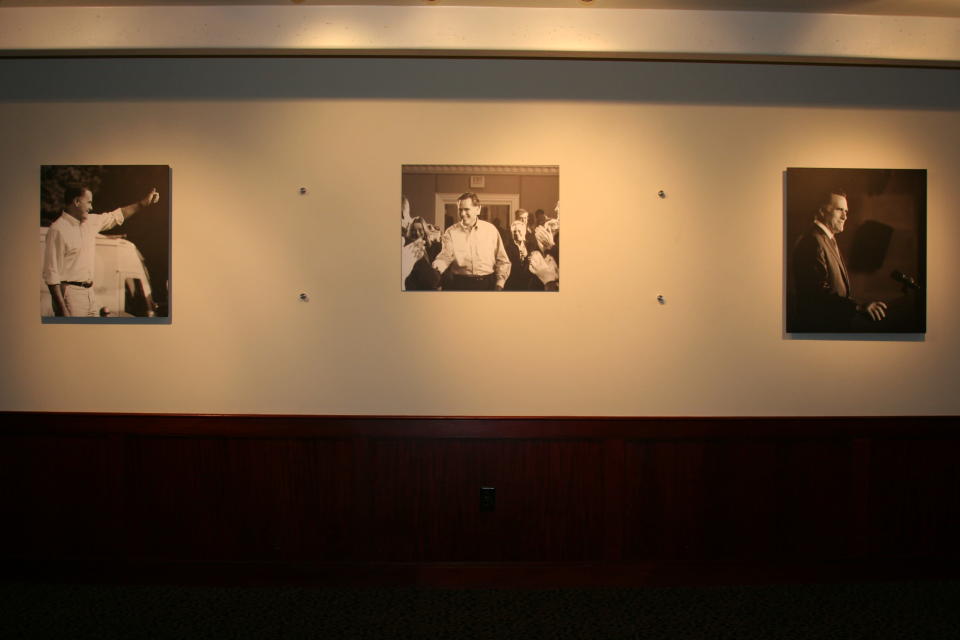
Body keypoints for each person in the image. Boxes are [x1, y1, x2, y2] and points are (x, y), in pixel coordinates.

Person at [42, 183, 160, 317]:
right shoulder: (58, 230)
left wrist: (142, 204)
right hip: (71, 296)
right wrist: (62, 309)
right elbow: (51, 274)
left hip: (91, 294)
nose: (91, 207)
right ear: (76, 201)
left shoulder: (90, 222)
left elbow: (117, 215)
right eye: (89, 202)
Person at [790, 189, 886, 331]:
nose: (845, 217)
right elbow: (816, 294)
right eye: (839, 210)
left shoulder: (827, 239)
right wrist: (858, 307)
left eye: (846, 211)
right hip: (820, 330)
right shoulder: (812, 241)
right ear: (822, 211)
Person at [431, 192, 511, 291]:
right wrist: (436, 268)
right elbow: (445, 257)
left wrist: (500, 283)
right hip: (460, 285)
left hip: (487, 285)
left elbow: (502, 260)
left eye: (466, 209)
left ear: (478, 209)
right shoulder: (451, 232)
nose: (462, 214)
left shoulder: (491, 230)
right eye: (460, 210)